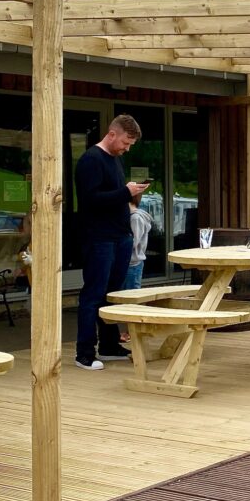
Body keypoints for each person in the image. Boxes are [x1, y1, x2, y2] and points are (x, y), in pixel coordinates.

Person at [73, 114, 149, 370]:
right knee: (93, 294)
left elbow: (114, 196)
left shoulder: (115, 160)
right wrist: (125, 192)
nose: (126, 149)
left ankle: (108, 345)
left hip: (120, 236)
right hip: (99, 237)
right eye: (125, 142)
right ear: (112, 133)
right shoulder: (91, 160)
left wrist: (128, 193)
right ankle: (84, 352)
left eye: (130, 145)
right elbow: (90, 199)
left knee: (112, 294)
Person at [118, 191, 153, 343]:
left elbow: (134, 241)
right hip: (129, 262)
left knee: (132, 298)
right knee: (126, 297)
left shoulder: (136, 218)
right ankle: (129, 329)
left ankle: (132, 330)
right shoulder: (133, 216)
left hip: (133, 263)